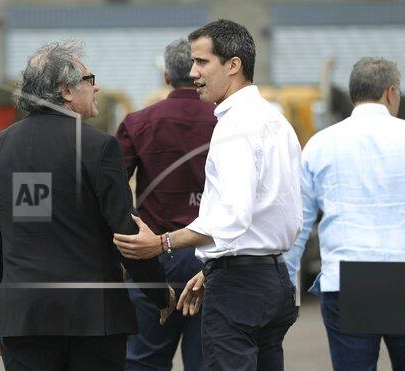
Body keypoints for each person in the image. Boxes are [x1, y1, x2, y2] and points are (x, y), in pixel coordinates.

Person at [0, 40, 175, 371]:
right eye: (90, 79)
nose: (97, 88)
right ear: (67, 91)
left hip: (23, 320)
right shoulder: (98, 148)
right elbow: (126, 233)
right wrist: (159, 293)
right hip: (93, 321)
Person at [114, 19, 302, 371]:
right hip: (271, 277)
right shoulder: (275, 121)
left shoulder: (234, 126)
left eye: (202, 62)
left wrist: (160, 244)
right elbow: (275, 211)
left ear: (233, 65)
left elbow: (230, 218)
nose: (193, 72)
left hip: (238, 286)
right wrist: (215, 268)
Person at [284, 57, 405, 371]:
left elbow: (298, 222)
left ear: (353, 96)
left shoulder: (320, 144)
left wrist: (286, 285)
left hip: (349, 276)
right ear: (392, 93)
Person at [116, 38, 216, 371]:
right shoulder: (226, 122)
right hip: (212, 259)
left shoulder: (137, 123)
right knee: (208, 361)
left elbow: (114, 194)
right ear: (199, 73)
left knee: (143, 361)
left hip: (155, 257)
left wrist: (129, 248)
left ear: (166, 77)